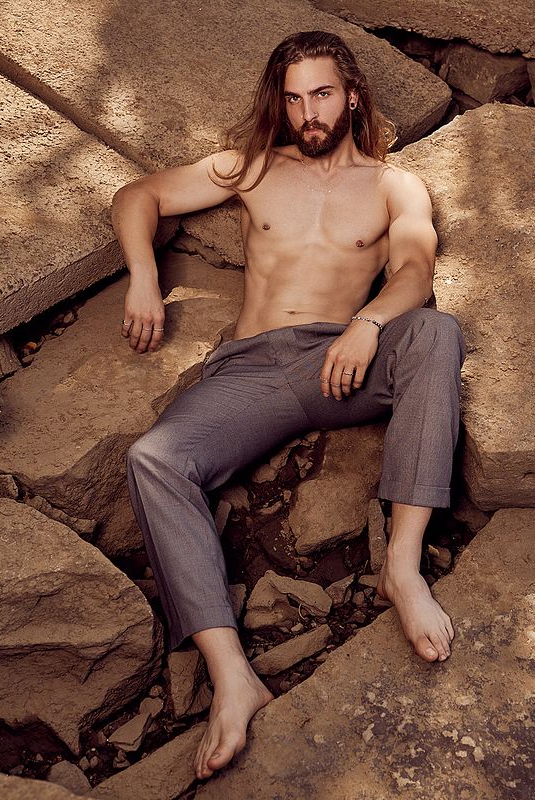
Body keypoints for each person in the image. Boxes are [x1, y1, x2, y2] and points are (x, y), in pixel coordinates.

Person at [112, 30, 465, 780]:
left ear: (354, 95)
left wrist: (369, 325)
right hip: (251, 368)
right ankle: (231, 674)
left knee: (435, 332)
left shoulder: (392, 186)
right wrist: (143, 275)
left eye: (323, 93)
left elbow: (415, 270)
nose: (308, 111)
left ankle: (401, 568)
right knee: (153, 458)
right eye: (295, 96)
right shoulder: (253, 168)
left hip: (342, 361)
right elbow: (136, 196)